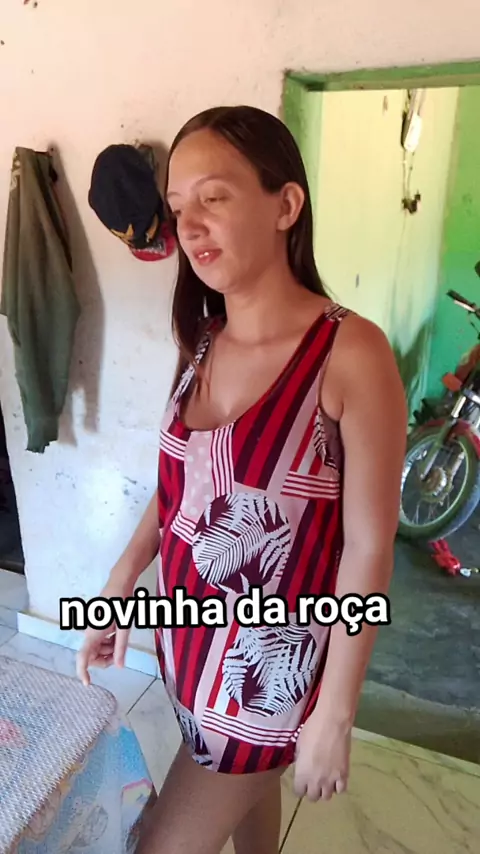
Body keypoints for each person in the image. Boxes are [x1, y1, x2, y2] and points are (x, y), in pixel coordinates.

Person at [77, 105, 408, 854]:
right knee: (248, 823)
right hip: (187, 650)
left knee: (160, 843)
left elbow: (369, 548)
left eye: (215, 197)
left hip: (265, 681)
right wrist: (122, 582)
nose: (190, 225)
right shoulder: (203, 339)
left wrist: (335, 713)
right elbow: (183, 488)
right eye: (177, 206)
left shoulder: (349, 354)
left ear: (285, 205)